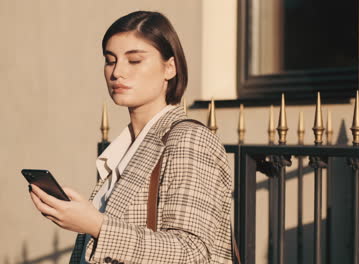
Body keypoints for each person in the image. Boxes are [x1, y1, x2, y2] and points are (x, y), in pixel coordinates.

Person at [28, 11, 233, 264]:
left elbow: (192, 252)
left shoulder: (188, 139)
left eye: (134, 60)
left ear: (170, 67)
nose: (117, 73)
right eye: (109, 60)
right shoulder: (123, 150)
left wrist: (97, 225)